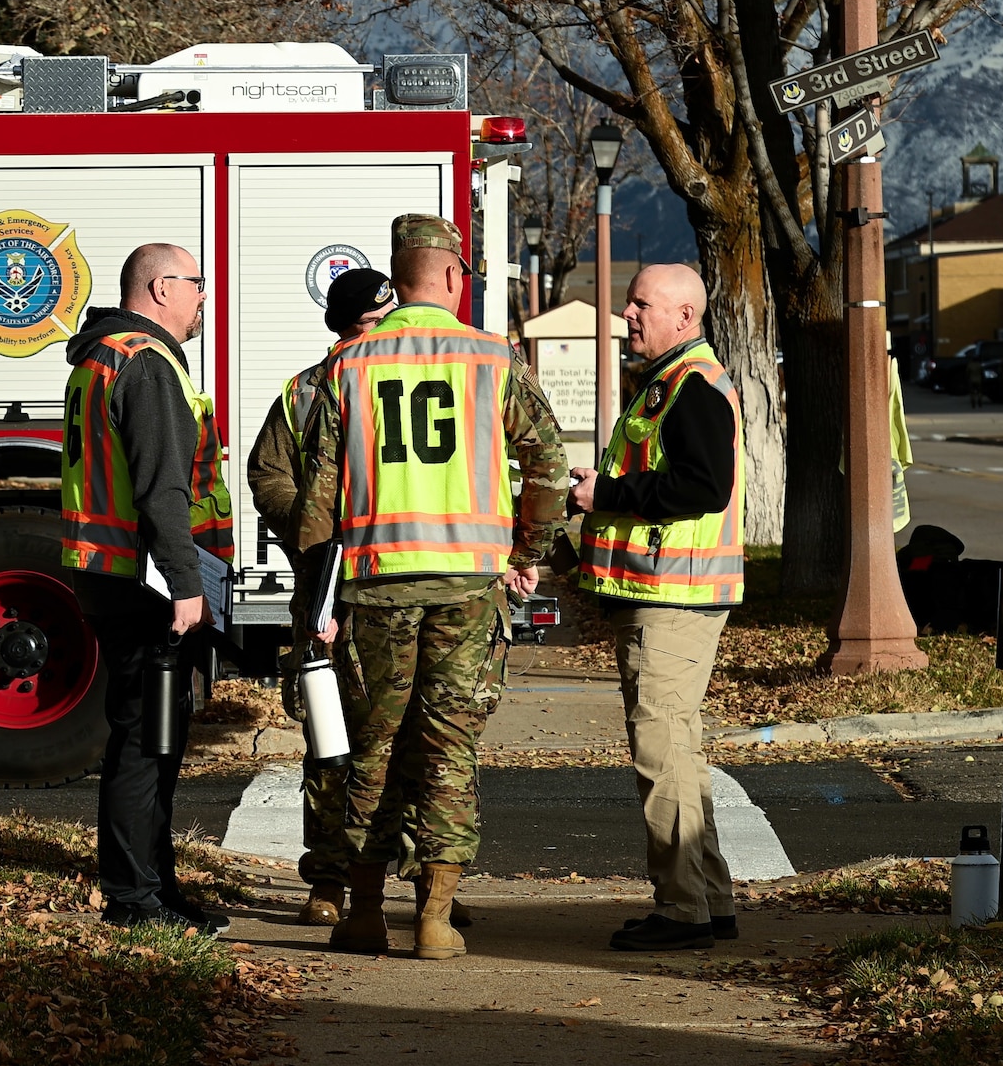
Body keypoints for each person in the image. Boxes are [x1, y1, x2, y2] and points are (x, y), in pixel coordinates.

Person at [292, 214, 567, 958]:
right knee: (447, 750)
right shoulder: (492, 358)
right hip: (467, 590)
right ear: (450, 277)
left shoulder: (349, 364)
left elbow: (315, 498)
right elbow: (548, 464)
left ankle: (364, 912)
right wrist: (528, 549)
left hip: (374, 590)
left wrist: (315, 599)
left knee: (370, 749)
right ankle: (437, 919)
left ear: (399, 274)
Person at [60, 242, 234, 934]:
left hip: (107, 572)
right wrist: (187, 584)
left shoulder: (100, 356)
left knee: (149, 734)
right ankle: (137, 900)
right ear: (161, 287)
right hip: (146, 581)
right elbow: (162, 485)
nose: (203, 298)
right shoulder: (148, 361)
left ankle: (155, 889)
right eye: (196, 284)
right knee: (148, 742)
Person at [570, 263, 744, 952]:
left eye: (643, 304)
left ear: (685, 316)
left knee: (662, 749)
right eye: (631, 302)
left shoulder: (693, 386)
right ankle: (709, 896)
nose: (629, 313)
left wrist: (606, 494)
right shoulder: (673, 383)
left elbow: (703, 485)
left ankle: (682, 910)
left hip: (675, 595)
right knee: (681, 749)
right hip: (671, 593)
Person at [245, 267, 396, 926]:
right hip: (329, 589)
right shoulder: (305, 393)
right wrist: (315, 526)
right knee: (332, 743)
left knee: (407, 739)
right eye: (375, 321)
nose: (388, 331)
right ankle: (331, 880)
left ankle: (425, 882)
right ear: (348, 325)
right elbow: (266, 473)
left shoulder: (405, 381)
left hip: (398, 586)